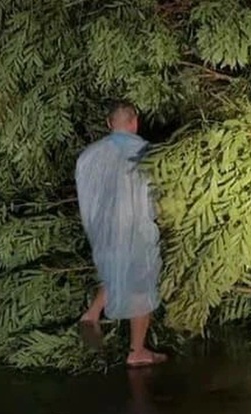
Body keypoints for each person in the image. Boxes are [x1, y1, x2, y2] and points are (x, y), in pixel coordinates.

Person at [76, 100, 167, 367]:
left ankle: (91, 315)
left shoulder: (90, 155)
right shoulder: (145, 152)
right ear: (134, 122)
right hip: (135, 229)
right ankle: (136, 351)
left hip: (104, 230)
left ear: (108, 124)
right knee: (140, 286)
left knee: (115, 272)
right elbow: (157, 194)